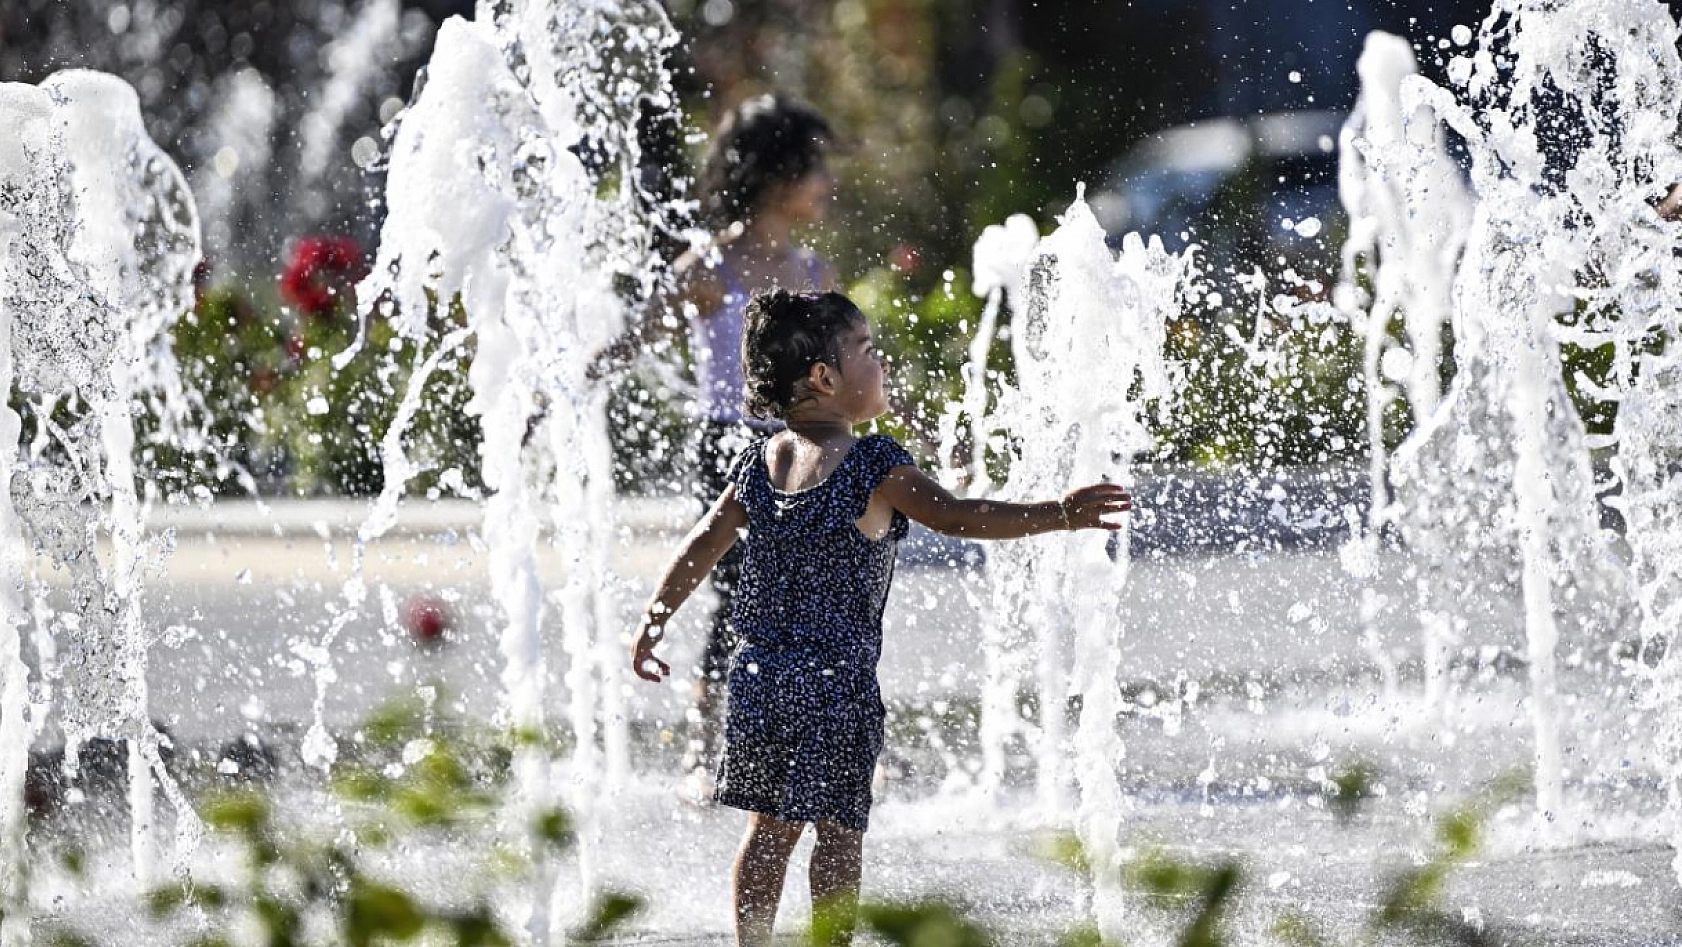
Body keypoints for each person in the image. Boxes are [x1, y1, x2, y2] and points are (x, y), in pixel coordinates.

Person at [628, 290, 1132, 946]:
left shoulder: (761, 461)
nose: (882, 361)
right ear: (824, 378)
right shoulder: (871, 463)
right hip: (836, 685)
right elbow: (958, 516)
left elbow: (702, 543)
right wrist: (1056, 513)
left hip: (757, 675)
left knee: (768, 832)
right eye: (867, 349)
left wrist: (654, 618)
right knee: (837, 834)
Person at [595, 95, 839, 795]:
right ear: (775, 177)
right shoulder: (712, 267)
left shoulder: (814, 274)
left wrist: (916, 417)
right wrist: (553, 393)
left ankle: (801, 737)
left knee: (807, 599)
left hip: (805, 449)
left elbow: (853, 366)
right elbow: (633, 340)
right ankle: (707, 750)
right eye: (814, 169)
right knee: (738, 597)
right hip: (733, 449)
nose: (827, 184)